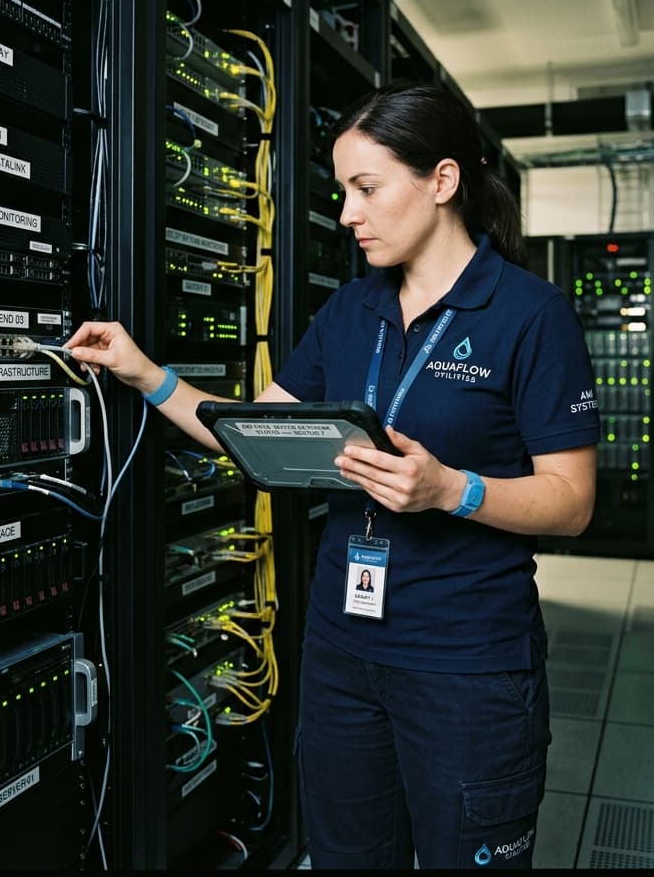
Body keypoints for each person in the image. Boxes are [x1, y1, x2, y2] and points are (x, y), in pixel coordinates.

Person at [64, 81, 600, 869]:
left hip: (467, 664)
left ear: (442, 181)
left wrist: (451, 488)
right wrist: (144, 373)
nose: (348, 213)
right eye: (343, 191)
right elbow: (247, 435)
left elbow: (573, 502)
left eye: (367, 188)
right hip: (344, 655)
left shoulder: (530, 314)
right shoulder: (351, 311)